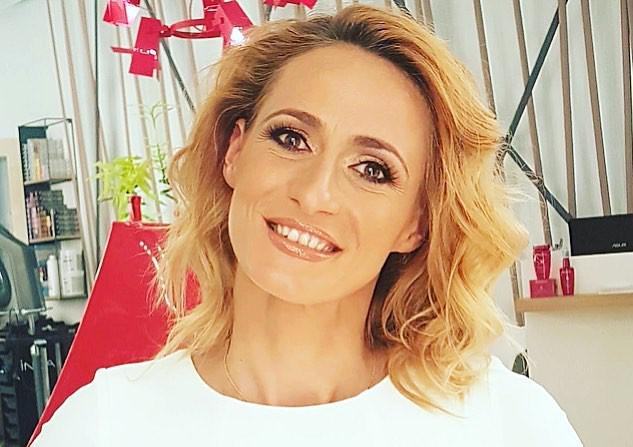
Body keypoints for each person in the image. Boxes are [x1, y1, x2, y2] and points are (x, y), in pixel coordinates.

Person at [32, 5, 582, 446]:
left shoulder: (507, 424)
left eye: (373, 170)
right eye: (291, 138)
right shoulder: (105, 425)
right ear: (234, 152)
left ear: (416, 223)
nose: (316, 194)